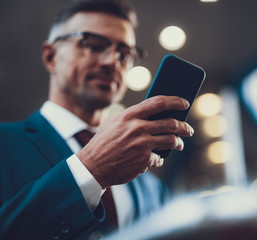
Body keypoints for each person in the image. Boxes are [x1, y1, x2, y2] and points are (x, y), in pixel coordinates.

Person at [0, 0, 194, 239]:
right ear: (51, 56)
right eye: (93, 44)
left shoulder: (153, 189)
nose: (111, 61)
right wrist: (90, 169)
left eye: (124, 54)